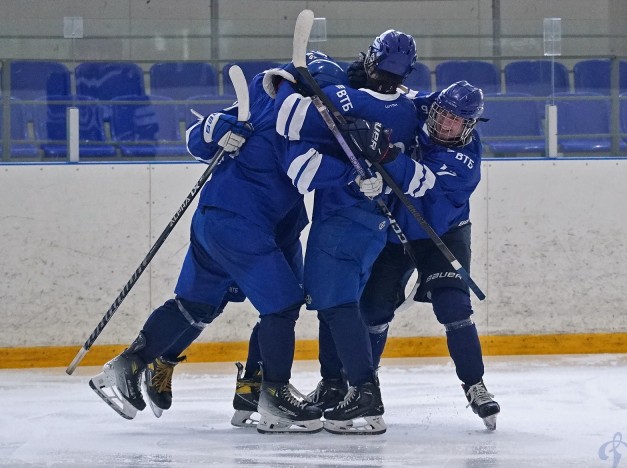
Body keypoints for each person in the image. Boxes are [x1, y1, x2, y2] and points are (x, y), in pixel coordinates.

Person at [90, 56, 346, 434]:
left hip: (242, 221)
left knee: (195, 306)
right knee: (282, 305)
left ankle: (132, 364)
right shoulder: (291, 115)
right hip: (240, 222)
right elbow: (199, 137)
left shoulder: (278, 105)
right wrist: (214, 129)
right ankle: (272, 395)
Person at [274, 30, 421, 434]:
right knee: (335, 305)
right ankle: (334, 385)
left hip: (344, 220)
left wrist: (299, 79)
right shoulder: (407, 108)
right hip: (371, 224)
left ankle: (365, 393)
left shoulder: (356, 99)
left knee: (336, 306)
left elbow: (290, 122)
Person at [358, 80, 501, 430]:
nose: (446, 124)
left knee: (453, 308)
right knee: (374, 312)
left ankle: (475, 385)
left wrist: (388, 155)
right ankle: (365, 384)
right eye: (443, 114)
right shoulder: (426, 108)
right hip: (396, 232)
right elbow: (396, 98)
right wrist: (370, 84)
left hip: (443, 233)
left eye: (456, 121)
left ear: (470, 126)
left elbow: (421, 183)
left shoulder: (464, 162)